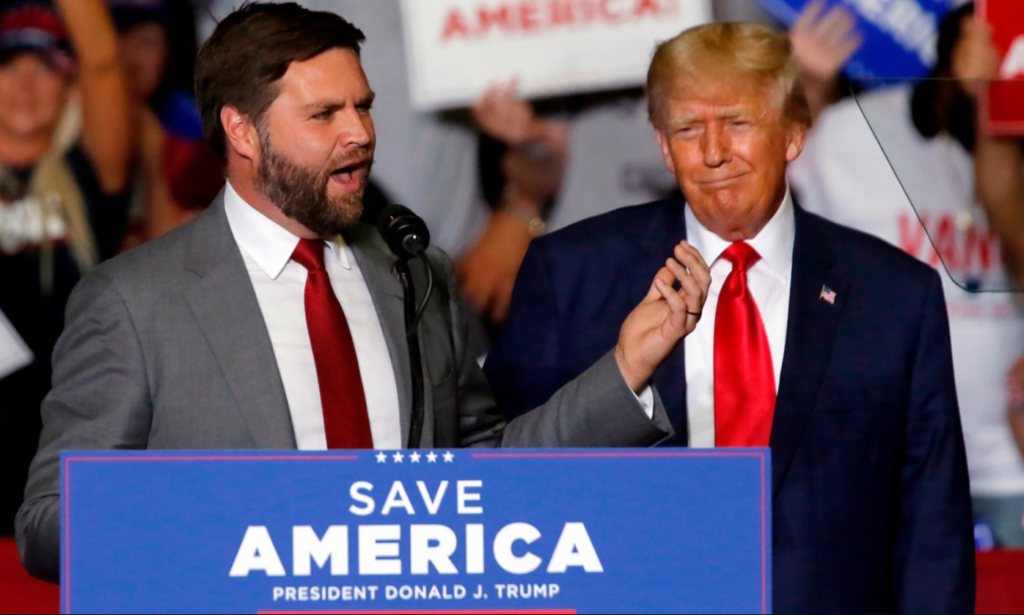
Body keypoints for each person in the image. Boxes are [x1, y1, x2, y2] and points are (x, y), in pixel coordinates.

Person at [16, 1, 710, 582]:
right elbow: (49, 525)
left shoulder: (413, 272)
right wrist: (235, 519)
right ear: (242, 131)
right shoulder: (134, 301)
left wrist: (625, 368)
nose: (360, 135)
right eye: (325, 115)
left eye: (364, 107)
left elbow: (483, 478)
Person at [485, 22, 974, 613]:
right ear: (663, 146)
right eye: (688, 129)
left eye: (738, 123)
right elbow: (504, 482)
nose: (714, 152)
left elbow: (933, 528)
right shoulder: (572, 276)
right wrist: (623, 376)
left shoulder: (894, 296)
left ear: (793, 132)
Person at [790, 2, 1024, 548]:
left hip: (1011, 469)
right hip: (890, 463)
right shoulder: (856, 132)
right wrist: (806, 89)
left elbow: (1013, 231)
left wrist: (993, 106)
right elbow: (766, 210)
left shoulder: (1011, 147)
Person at [0, 0, 132, 535]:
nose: (25, 84)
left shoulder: (89, 172)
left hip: (68, 456)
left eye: (46, 67)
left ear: (69, 86)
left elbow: (104, 65)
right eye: (10, 65)